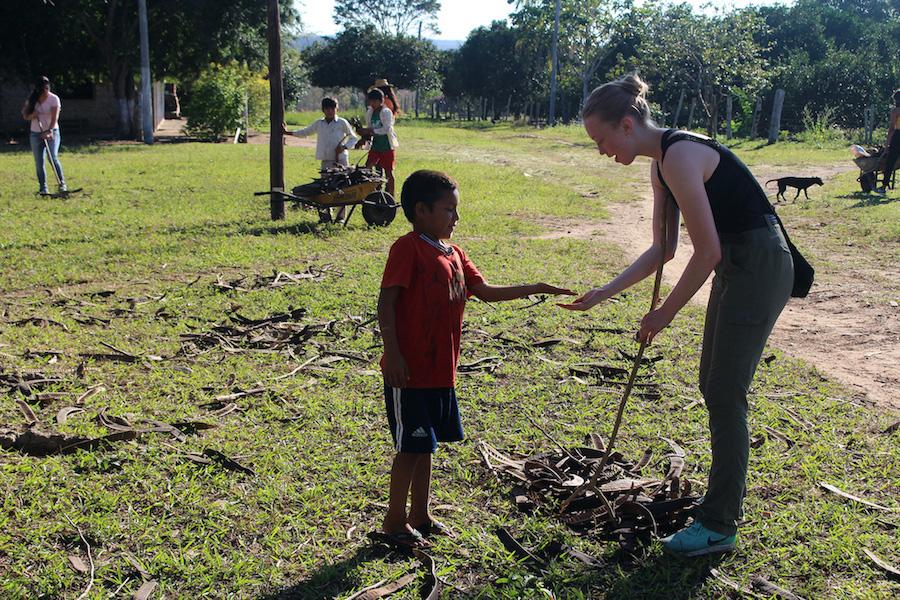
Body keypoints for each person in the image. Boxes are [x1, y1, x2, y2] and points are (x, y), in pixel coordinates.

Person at [560, 74, 793, 557]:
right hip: (738, 263)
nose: (601, 150)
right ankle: (717, 511)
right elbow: (663, 248)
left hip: (759, 264)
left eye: (601, 140)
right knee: (714, 386)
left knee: (725, 393)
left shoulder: (682, 156)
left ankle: (718, 525)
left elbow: (704, 252)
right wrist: (602, 293)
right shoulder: (660, 164)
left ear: (626, 125)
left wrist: (662, 314)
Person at [378, 169, 573, 549]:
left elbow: (484, 291)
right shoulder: (407, 248)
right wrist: (394, 353)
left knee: (427, 446)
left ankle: (421, 514)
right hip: (410, 373)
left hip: (440, 372)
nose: (456, 218)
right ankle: (394, 520)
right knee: (410, 448)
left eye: (456, 210)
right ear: (421, 210)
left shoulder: (455, 254)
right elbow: (387, 302)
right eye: (449, 210)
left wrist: (534, 287)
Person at [284, 97, 359, 222]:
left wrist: (344, 147)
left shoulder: (342, 122)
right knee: (325, 189)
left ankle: (340, 217)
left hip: (340, 160)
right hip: (326, 160)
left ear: (337, 109)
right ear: (323, 110)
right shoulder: (319, 123)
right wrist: (288, 133)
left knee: (343, 189)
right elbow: (305, 132)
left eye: (332, 108)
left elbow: (353, 137)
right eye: (327, 109)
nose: (330, 111)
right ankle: (325, 216)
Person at [21, 76, 67, 195]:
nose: (45, 92)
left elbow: (54, 117)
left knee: (53, 157)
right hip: (35, 134)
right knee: (39, 161)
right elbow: (25, 116)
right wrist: (33, 115)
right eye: (43, 90)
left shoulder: (54, 99)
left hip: (52, 132)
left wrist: (49, 131)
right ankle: (43, 188)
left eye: (47, 89)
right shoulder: (32, 99)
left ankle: (62, 184)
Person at [357, 89, 399, 198]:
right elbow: (370, 127)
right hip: (375, 146)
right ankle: (372, 192)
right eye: (371, 101)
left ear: (381, 101)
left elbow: (386, 129)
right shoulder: (370, 112)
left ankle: (391, 196)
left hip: (386, 146)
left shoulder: (386, 112)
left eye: (374, 101)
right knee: (368, 168)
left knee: (388, 172)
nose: (372, 104)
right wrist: (364, 134)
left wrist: (370, 131)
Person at [876, 88, 900, 194]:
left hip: (898, 136)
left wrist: (887, 145)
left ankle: (884, 186)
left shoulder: (895, 111)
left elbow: (891, 128)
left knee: (890, 161)